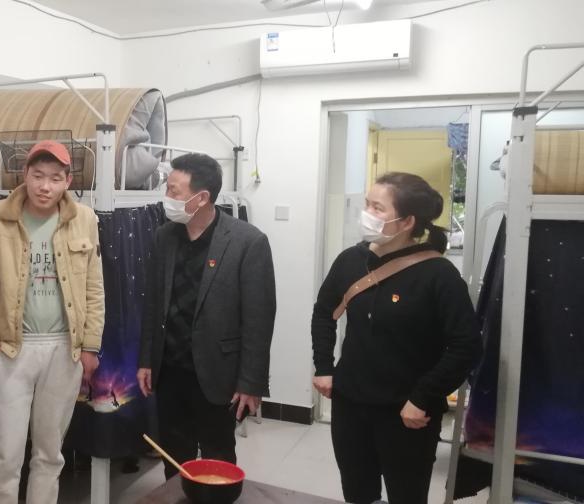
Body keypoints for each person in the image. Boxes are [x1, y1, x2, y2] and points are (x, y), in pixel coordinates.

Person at [311, 172, 482, 504]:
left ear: (406, 222)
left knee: (407, 496)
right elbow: (323, 312)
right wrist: (324, 366)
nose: (367, 214)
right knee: (357, 492)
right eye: (367, 204)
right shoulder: (351, 260)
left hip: (407, 413)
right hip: (350, 405)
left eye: (378, 208)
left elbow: (467, 346)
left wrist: (423, 397)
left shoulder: (439, 275)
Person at [0, 140, 104, 504]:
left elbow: (94, 287)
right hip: (12, 349)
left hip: (65, 349)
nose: (45, 186)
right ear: (25, 175)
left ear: (68, 181)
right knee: (4, 455)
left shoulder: (85, 219)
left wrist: (90, 345)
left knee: (49, 454)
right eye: (38, 176)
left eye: (55, 178)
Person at [137, 153, 276, 479]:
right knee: (174, 457)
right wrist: (146, 360)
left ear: (201, 198)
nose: (166, 197)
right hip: (170, 370)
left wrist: (251, 382)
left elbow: (259, 319)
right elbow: (153, 303)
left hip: (218, 374)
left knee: (218, 457)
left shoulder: (248, 242)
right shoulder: (164, 236)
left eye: (174, 191)